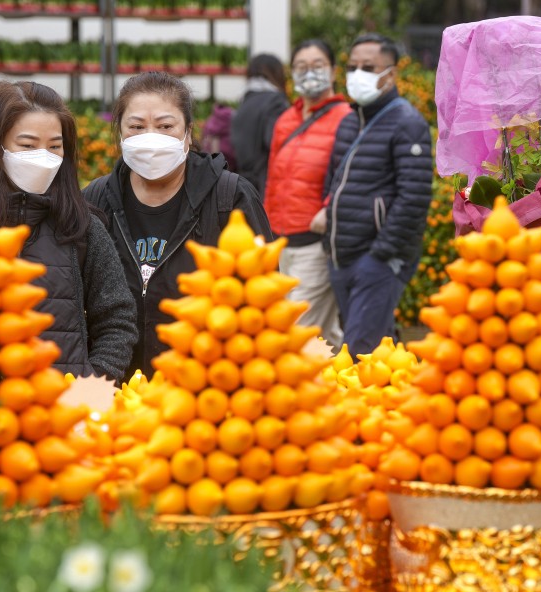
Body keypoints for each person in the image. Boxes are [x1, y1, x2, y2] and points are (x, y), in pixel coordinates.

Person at [0, 81, 137, 381]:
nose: (43, 157)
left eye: (55, 146)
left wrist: (92, 385)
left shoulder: (81, 227)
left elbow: (117, 319)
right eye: (27, 146)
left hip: (62, 415)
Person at [83, 71, 272, 379]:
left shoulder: (228, 198)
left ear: (188, 133)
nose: (150, 137)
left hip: (203, 387)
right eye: (136, 127)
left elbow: (261, 300)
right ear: (119, 133)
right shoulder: (96, 199)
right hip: (114, 389)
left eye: (165, 126)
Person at [319, 34, 433, 356]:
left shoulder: (407, 123)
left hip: (377, 259)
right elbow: (333, 185)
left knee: (358, 352)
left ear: (391, 74)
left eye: (368, 67)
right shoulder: (348, 122)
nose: (358, 74)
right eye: (353, 66)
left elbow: (414, 197)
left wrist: (381, 255)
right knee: (379, 352)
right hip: (342, 256)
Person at [265, 39, 352, 348]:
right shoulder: (286, 119)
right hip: (281, 241)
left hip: (316, 242)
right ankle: (343, 385)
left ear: (333, 71)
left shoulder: (346, 117)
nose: (309, 73)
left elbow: (350, 174)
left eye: (317, 66)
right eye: (301, 67)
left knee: (297, 329)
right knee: (321, 335)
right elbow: (274, 178)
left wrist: (328, 209)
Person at [231, 53, 290, 196]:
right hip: (266, 186)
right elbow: (276, 143)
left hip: (244, 186)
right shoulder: (275, 102)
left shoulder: (245, 102)